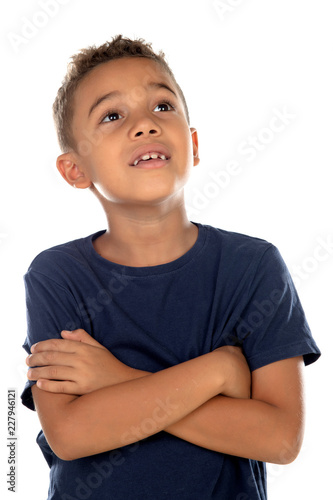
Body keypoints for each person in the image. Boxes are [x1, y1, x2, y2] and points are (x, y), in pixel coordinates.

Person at [21, 35, 320, 500]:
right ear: (75, 169)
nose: (145, 125)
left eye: (162, 106)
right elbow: (72, 435)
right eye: (112, 116)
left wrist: (114, 378)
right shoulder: (57, 275)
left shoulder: (253, 267)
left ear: (193, 143)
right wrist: (221, 371)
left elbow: (280, 438)